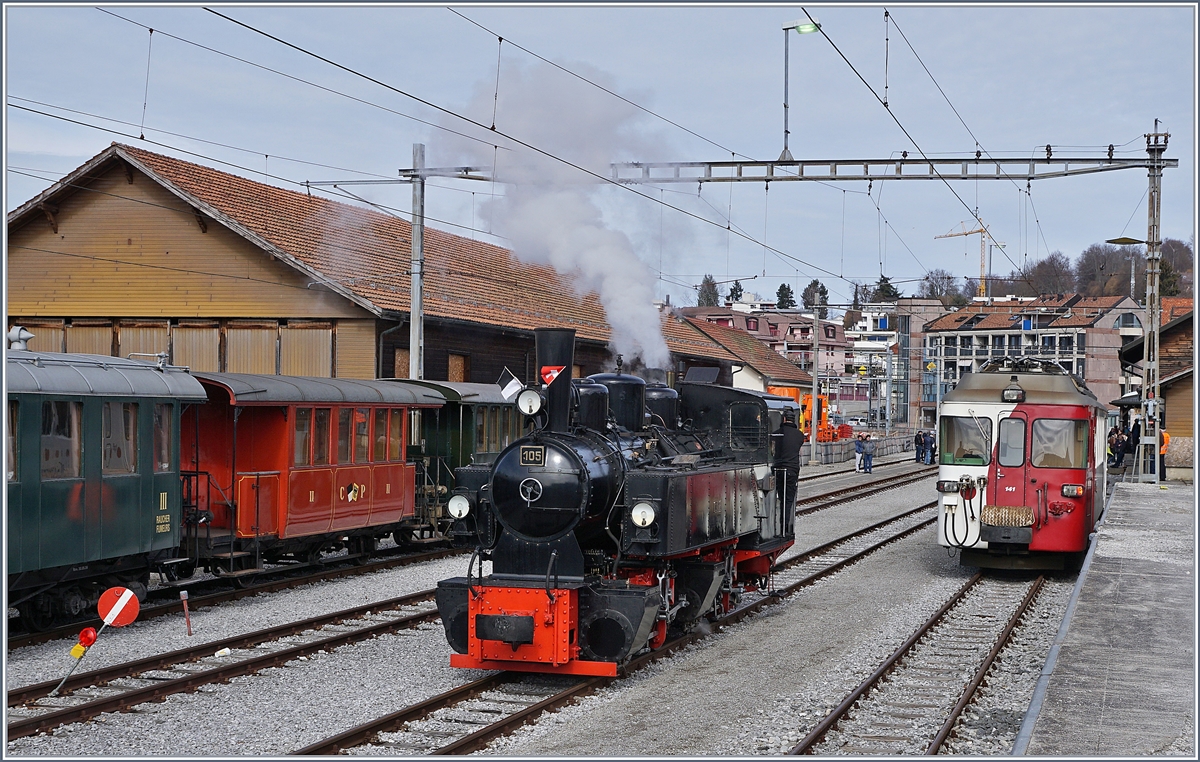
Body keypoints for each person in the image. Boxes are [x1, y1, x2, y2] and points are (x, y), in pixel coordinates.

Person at [776, 410, 805, 512]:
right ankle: (786, 525)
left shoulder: (777, 434)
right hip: (792, 469)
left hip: (778, 469)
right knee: (789, 500)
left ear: (784, 419)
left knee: (780, 497)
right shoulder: (800, 435)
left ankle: (780, 523)